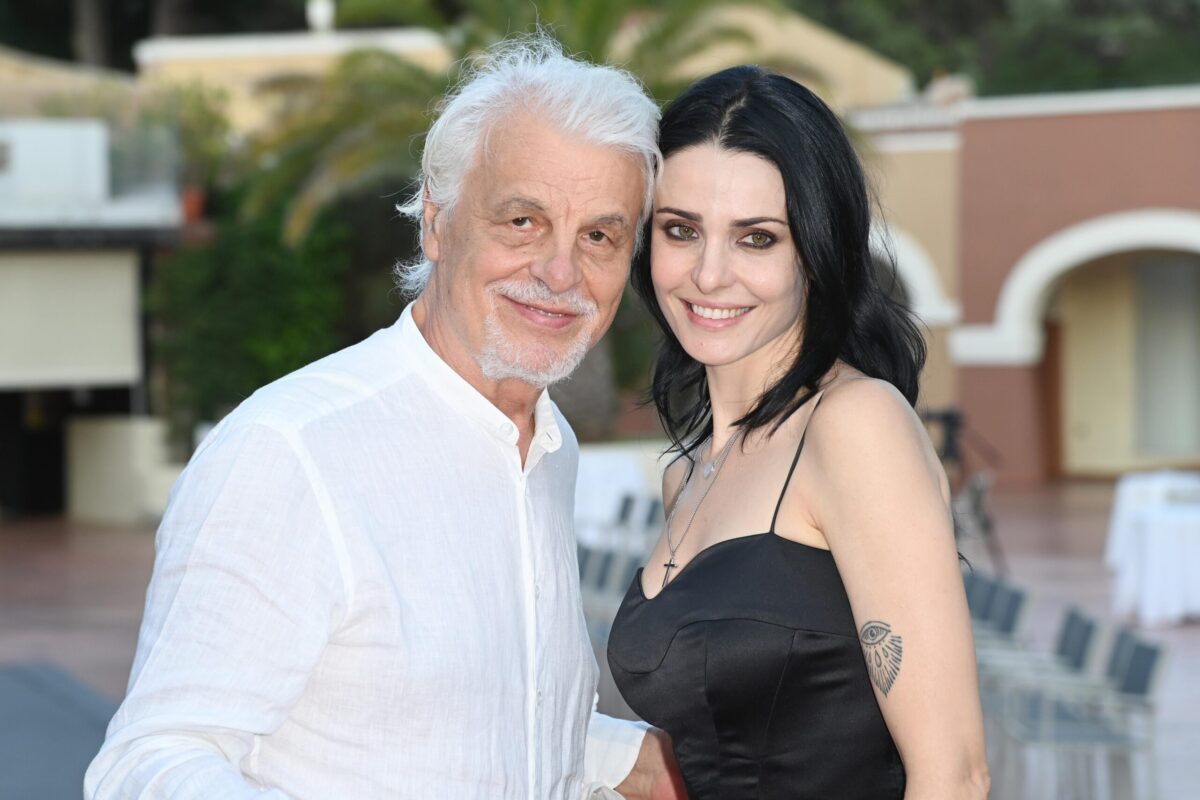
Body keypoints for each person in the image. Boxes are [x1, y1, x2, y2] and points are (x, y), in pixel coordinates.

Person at [85, 36, 684, 799]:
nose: (560, 272)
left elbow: (482, 714)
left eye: (599, 235)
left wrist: (653, 765)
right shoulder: (293, 451)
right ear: (436, 221)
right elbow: (150, 762)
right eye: (522, 221)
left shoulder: (547, 450)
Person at [606, 66, 990, 799]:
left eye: (756, 239)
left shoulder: (855, 426)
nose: (709, 275)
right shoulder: (688, 475)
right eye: (681, 230)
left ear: (816, 252)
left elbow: (954, 775)